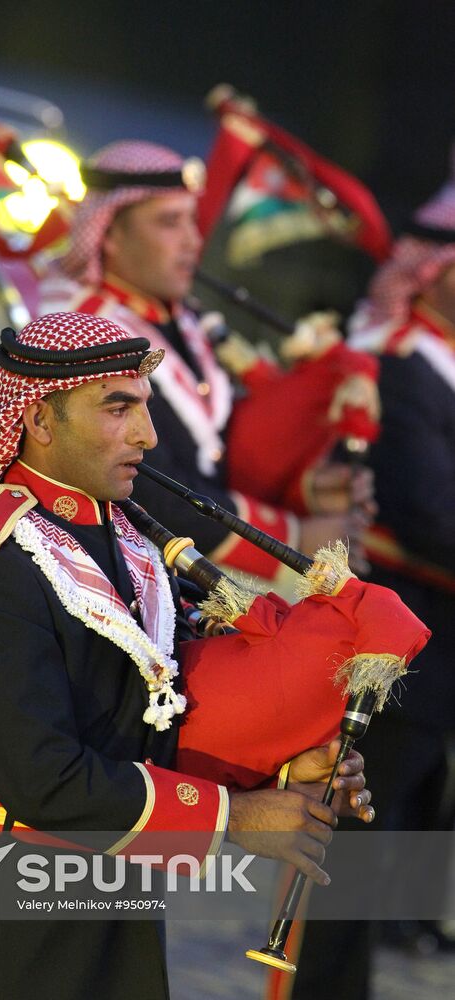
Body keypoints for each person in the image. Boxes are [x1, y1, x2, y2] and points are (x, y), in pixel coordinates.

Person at [0, 311, 373, 1000]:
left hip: (115, 906)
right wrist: (236, 818)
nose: (146, 435)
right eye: (117, 408)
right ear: (40, 422)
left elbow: (153, 726)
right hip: (4, 936)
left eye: (143, 407)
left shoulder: (128, 551)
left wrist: (290, 765)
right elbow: (40, 780)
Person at [39, 140, 374, 587]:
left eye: (192, 222)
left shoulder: (180, 318)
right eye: (169, 222)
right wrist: (293, 536)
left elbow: (219, 449)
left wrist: (308, 490)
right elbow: (150, 484)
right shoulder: (85, 330)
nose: (192, 242)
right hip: (134, 575)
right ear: (109, 234)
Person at [285, 157, 455, 999]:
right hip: (395, 646)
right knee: (354, 840)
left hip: (437, 648)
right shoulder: (395, 364)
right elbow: (431, 513)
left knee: (402, 831)